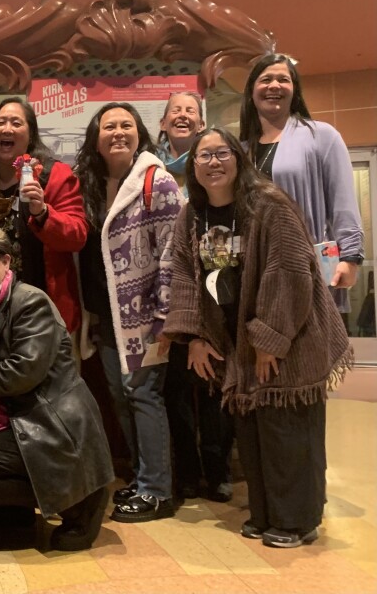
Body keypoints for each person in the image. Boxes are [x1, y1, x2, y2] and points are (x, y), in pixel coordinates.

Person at [163, 128, 352, 548]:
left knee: (287, 430)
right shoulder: (192, 215)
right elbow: (182, 274)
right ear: (192, 167)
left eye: (221, 153)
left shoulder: (269, 204)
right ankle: (267, 513)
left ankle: (297, 521)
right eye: (203, 156)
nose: (213, 162)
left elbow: (288, 272)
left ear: (239, 158)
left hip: (292, 333)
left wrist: (271, 337)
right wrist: (194, 336)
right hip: (237, 341)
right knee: (251, 429)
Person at [0, 223, 113, 551]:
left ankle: (80, 502)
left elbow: (21, 372)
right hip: (12, 416)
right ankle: (14, 514)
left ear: (5, 261)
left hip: (47, 420)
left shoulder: (30, 303)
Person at [75, 102, 183, 522]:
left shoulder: (158, 182)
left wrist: (164, 315)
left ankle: (157, 491)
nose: (118, 132)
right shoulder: (91, 183)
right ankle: (142, 480)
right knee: (122, 397)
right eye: (109, 126)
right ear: (95, 137)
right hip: (106, 318)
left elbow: (174, 253)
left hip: (145, 317)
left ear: (139, 132)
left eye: (126, 125)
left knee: (143, 394)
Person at [155, 91, 233, 502]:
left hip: (216, 297)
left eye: (191, 111)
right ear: (164, 123)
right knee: (176, 392)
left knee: (215, 389)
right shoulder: (147, 168)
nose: (183, 116)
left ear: (201, 124)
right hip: (168, 299)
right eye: (175, 112)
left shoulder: (216, 168)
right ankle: (186, 472)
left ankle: (217, 470)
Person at [239, 53, 364, 308]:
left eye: (283, 79)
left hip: (309, 266)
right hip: (255, 268)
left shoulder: (322, 136)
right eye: (266, 80)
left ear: (294, 91)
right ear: (252, 91)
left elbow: (343, 202)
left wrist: (351, 257)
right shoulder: (241, 150)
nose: (274, 85)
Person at [0, 97, 88, 333]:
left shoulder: (55, 175)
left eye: (16, 123)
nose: (7, 129)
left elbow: (78, 236)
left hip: (43, 310)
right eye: (0, 122)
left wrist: (42, 213)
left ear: (31, 135)